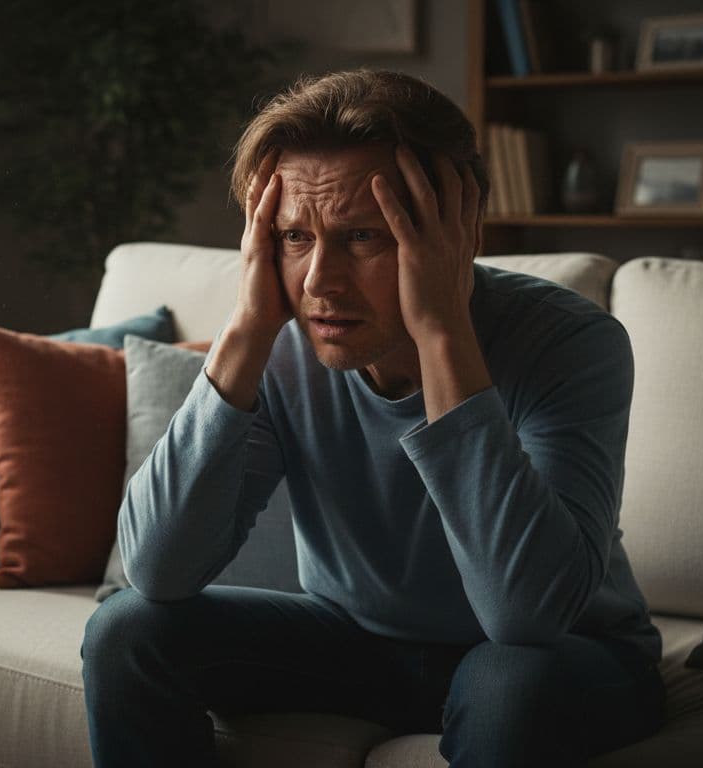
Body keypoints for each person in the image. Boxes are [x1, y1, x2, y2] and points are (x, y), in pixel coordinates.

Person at [80, 69, 664, 767]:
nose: (322, 281)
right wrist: (244, 334)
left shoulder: (570, 343)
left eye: (362, 236)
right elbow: (156, 570)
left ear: (459, 227)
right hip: (357, 643)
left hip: (567, 656)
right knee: (127, 631)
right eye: (296, 237)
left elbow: (526, 616)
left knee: (509, 680)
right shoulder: (283, 346)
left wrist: (444, 336)